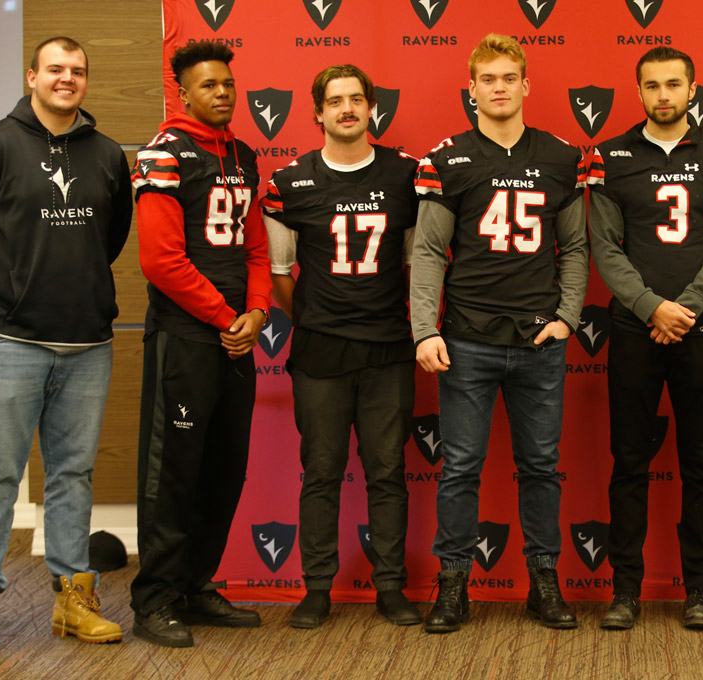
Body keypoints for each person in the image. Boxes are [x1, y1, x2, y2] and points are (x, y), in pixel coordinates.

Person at [0, 36, 131, 654]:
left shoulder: (106, 155)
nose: (66, 79)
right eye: (55, 69)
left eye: (77, 71)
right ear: (32, 75)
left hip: (87, 344)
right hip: (9, 342)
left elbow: (112, 235)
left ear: (85, 81)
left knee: (73, 473)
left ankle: (74, 601)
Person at [411, 33, 590, 633]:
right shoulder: (448, 159)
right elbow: (430, 250)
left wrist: (568, 315)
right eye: (487, 79)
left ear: (525, 85)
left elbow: (575, 246)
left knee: (541, 464)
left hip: (539, 340)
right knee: (460, 466)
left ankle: (544, 582)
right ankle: (453, 586)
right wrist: (422, 330)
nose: (498, 88)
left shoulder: (561, 157)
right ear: (472, 90)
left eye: (508, 77)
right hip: (466, 339)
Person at [587, 46, 703, 631]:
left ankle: (699, 590)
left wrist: (687, 307)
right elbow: (605, 246)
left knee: (700, 464)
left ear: (692, 87)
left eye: (673, 84)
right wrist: (653, 306)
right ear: (639, 91)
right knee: (628, 462)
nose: (662, 95)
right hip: (633, 329)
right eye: (651, 86)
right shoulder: (609, 156)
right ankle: (624, 590)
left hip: (700, 330)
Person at [262, 64, 421, 629]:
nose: (347, 109)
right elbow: (281, 274)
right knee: (323, 471)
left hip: (388, 347)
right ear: (317, 112)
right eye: (335, 101)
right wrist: (320, 317)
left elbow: (413, 264)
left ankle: (391, 586)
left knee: (387, 472)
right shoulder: (290, 183)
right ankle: (317, 588)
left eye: (356, 99)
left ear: (371, 107)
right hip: (322, 350)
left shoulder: (406, 175)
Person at [128, 41, 271, 648]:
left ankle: (195, 584)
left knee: (224, 467)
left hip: (236, 338)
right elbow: (160, 261)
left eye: (228, 85)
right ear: (183, 92)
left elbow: (257, 248)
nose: (221, 94)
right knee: (174, 472)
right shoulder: (162, 154)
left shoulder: (242, 154)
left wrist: (257, 312)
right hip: (187, 337)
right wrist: (224, 316)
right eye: (208, 85)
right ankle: (155, 597)